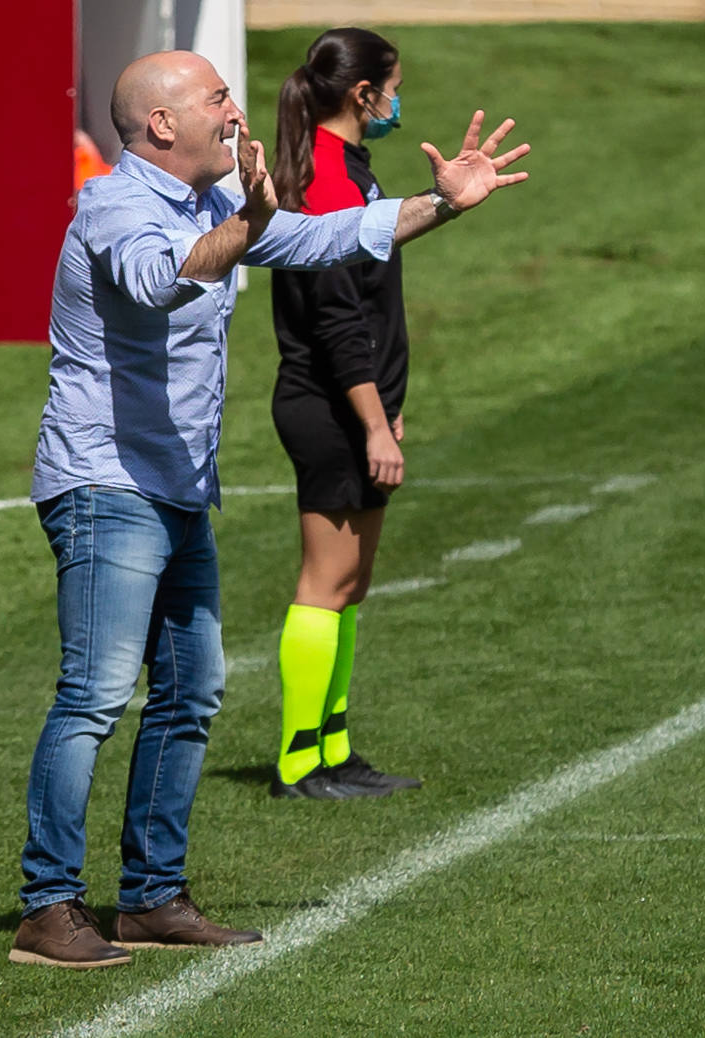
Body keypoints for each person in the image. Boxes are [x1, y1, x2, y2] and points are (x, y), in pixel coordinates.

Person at [9, 47, 529, 969]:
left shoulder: (217, 201)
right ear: (163, 125)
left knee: (191, 690)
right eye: (216, 98)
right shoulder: (116, 205)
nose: (235, 110)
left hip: (175, 486)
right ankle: (48, 907)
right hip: (105, 484)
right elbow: (161, 280)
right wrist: (250, 215)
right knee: (94, 694)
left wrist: (443, 202)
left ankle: (150, 897)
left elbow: (328, 237)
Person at [268, 28, 520, 800]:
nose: (398, 100)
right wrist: (374, 423)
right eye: (394, 85)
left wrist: (445, 203)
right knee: (324, 581)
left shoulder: (349, 169)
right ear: (362, 94)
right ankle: (298, 762)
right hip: (330, 407)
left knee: (350, 586)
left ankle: (335, 752)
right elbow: (339, 322)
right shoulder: (329, 180)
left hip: (358, 403)